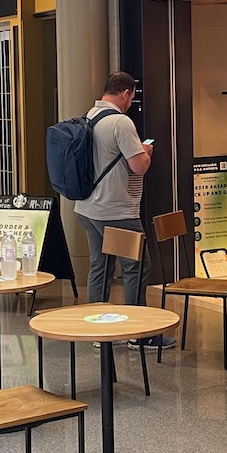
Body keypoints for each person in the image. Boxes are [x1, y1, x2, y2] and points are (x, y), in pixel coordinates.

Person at [74, 72, 164, 340]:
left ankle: (97, 330)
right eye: (131, 97)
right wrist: (146, 152)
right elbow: (139, 166)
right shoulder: (120, 123)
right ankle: (139, 333)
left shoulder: (89, 117)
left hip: (87, 209)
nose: (130, 102)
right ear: (125, 93)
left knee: (99, 267)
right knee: (135, 266)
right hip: (116, 211)